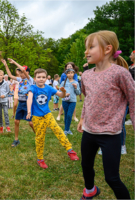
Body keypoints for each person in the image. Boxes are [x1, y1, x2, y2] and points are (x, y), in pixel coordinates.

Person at [77, 30, 134, 200]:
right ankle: (90, 190)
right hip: (89, 132)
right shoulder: (86, 75)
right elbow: (88, 99)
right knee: (86, 166)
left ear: (108, 49)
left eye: (91, 47)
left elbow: (133, 99)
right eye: (86, 48)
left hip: (110, 134)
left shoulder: (120, 73)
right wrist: (82, 118)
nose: (86, 52)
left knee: (112, 178)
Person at [26, 68, 79, 169]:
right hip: (37, 117)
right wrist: (29, 110)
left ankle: (70, 150)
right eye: (39, 77)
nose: (41, 79)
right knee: (40, 137)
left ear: (46, 78)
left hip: (48, 115)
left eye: (43, 77)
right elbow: (29, 98)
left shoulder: (49, 88)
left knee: (58, 130)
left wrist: (63, 92)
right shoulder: (32, 88)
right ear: (35, 78)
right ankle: (40, 159)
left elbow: (62, 96)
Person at [2, 58, 34, 147]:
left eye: (22, 72)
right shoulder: (20, 80)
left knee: (31, 123)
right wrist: (6, 65)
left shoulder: (30, 80)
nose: (20, 73)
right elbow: (10, 75)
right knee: (16, 121)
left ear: (27, 73)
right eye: (20, 72)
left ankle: (38, 136)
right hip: (21, 103)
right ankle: (16, 140)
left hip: (28, 104)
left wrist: (14, 62)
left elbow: (23, 69)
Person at [60, 69, 81, 135]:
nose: (70, 74)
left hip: (72, 101)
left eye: (72, 73)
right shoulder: (63, 82)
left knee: (69, 115)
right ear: (66, 74)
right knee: (66, 114)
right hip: (65, 101)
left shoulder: (76, 83)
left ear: (74, 74)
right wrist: (64, 94)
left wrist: (75, 87)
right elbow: (60, 91)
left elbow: (78, 92)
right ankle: (67, 129)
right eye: (68, 73)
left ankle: (66, 129)